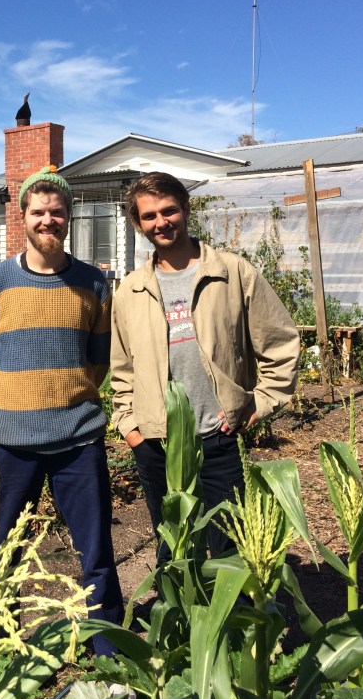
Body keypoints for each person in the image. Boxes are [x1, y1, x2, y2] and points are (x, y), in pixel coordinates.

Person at [0, 166, 124, 656]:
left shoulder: (94, 284)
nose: (48, 220)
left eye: (57, 212)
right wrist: (19, 398)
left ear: (69, 217)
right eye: (39, 212)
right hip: (13, 443)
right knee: (2, 553)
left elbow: (100, 357)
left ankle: (109, 648)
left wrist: (66, 395)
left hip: (78, 439)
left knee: (95, 551)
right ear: (23, 216)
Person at [110, 172, 300, 561]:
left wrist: (260, 402)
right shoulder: (129, 290)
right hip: (156, 442)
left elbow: (279, 342)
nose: (160, 222)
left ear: (185, 209)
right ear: (138, 223)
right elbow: (122, 369)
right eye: (149, 216)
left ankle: (230, 621)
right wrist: (130, 427)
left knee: (231, 548)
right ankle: (180, 622)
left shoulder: (232, 272)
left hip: (218, 437)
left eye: (169, 211)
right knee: (175, 551)